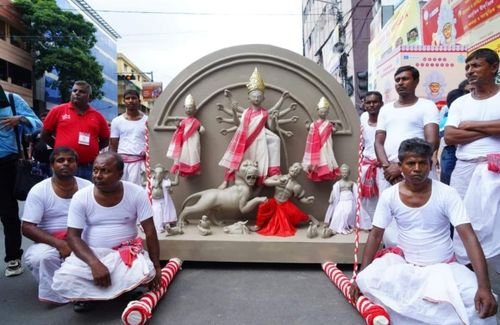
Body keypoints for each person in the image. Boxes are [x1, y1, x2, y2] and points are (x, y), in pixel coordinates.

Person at [350, 138, 497, 324]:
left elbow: (469, 238)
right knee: (369, 281)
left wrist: (484, 286)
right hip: (406, 265)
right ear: (401, 166)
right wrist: (360, 276)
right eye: (411, 163)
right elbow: (375, 235)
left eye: (423, 163)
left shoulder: (447, 193)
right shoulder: (389, 196)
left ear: (431, 164)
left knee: (480, 305)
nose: (417, 168)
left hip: (445, 267)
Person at [51, 152, 161, 312]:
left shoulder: (136, 193)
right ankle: (93, 296)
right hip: (91, 254)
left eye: (105, 171)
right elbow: (73, 237)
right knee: (65, 278)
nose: (98, 176)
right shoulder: (81, 197)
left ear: (120, 174)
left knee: (147, 271)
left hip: (125, 253)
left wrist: (157, 266)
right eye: (95, 170)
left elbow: (150, 231)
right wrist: (94, 263)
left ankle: (111, 292)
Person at [444, 48, 500, 270]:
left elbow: (460, 132)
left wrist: (471, 125)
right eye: (467, 67)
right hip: (465, 170)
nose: (469, 71)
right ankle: (468, 278)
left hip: (495, 168)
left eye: (476, 65)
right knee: (463, 222)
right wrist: (493, 128)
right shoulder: (460, 103)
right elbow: (450, 136)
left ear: (494, 67)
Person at [374, 65, 439, 246]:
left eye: (405, 79)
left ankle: (422, 257)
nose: (400, 83)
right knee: (389, 218)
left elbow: (432, 141)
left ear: (416, 81)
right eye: (397, 80)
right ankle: (394, 256)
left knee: (421, 214)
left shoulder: (427, 106)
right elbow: (378, 141)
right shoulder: (386, 110)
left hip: (417, 169)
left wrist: (403, 167)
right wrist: (388, 167)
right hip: (389, 172)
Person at [21, 147, 91, 304]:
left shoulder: (88, 187)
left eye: (70, 160)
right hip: (51, 241)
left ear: (76, 165)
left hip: (83, 238)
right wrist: (60, 244)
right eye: (60, 160)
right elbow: (27, 227)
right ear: (52, 166)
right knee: (41, 258)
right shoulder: (39, 190)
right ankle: (56, 295)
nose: (66, 163)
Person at [219, 68, 288, 187]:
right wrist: (234, 111)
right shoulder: (246, 113)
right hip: (246, 139)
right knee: (237, 157)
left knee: (275, 140)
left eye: (259, 96)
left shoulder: (264, 113)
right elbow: (237, 124)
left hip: (261, 139)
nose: (256, 98)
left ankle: (273, 171)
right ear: (249, 97)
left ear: (263, 98)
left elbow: (271, 127)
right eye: (254, 96)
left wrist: (274, 118)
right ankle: (226, 181)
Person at [0, 86, 42, 277]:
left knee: (8, 213)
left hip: (7, 164)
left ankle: (13, 258)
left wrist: (21, 119)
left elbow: (38, 124)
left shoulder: (11, 99)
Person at [41, 80, 110, 180]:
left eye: (81, 92)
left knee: (87, 194)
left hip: (88, 167)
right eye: (74, 91)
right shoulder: (58, 110)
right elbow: (45, 135)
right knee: (62, 194)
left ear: (89, 97)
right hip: (63, 166)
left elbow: (105, 140)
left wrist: (91, 150)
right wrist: (60, 148)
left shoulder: (98, 116)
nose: (77, 93)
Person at [255, 162, 315, 237]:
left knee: (296, 214)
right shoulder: (279, 177)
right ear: (290, 168)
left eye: (298, 170)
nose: (296, 169)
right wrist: (277, 182)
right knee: (263, 205)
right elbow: (266, 182)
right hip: (274, 201)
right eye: (295, 167)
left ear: (298, 174)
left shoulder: (296, 186)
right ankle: (258, 225)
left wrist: (307, 200)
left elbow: (300, 198)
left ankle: (310, 218)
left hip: (285, 204)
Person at [109, 89, 147, 185]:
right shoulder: (116, 121)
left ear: (139, 101)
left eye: (134, 98)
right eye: (127, 98)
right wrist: (111, 164)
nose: (130, 100)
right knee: (121, 190)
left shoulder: (147, 121)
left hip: (140, 164)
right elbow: (113, 145)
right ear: (124, 101)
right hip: (121, 163)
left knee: (139, 191)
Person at [359, 91, 383, 229]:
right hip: (367, 165)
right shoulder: (363, 118)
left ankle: (384, 228)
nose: (372, 105)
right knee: (367, 199)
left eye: (375, 102)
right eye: (368, 102)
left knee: (383, 197)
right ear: (364, 105)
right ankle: (372, 225)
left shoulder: (386, 119)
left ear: (381, 104)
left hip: (382, 165)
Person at [302, 96, 340, 181]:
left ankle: (325, 172)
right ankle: (317, 173)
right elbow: (311, 130)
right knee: (319, 160)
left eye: (325, 112)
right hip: (317, 148)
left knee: (326, 159)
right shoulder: (314, 124)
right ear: (317, 111)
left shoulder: (328, 124)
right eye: (321, 112)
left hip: (326, 146)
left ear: (327, 113)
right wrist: (308, 127)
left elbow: (333, 130)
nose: (323, 113)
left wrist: (336, 127)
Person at [166, 94, 204, 177]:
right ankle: (183, 169)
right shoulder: (183, 121)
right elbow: (180, 129)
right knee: (184, 155)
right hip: (185, 141)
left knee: (194, 153)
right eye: (187, 108)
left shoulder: (196, 121)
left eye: (190, 108)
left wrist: (201, 129)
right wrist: (177, 125)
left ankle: (195, 169)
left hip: (194, 140)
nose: (189, 110)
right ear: (184, 109)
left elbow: (200, 127)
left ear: (194, 109)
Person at [438, 88, 465, 185]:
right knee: (448, 183)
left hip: (463, 154)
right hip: (450, 152)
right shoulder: (448, 117)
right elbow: (445, 136)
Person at [324, 164, 357, 234]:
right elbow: (334, 191)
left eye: (346, 173)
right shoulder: (338, 183)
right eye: (343, 173)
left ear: (349, 173)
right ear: (340, 173)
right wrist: (331, 198)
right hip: (341, 200)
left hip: (350, 200)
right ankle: (336, 227)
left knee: (347, 212)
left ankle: (347, 225)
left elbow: (355, 192)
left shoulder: (352, 183)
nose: (344, 174)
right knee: (338, 212)